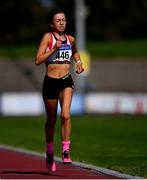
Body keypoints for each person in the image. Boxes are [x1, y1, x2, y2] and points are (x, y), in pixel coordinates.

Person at [35, 9, 84, 172]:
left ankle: (65, 150)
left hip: (66, 81)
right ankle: (49, 152)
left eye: (63, 20)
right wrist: (54, 48)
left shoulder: (70, 39)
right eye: (58, 20)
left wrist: (78, 62)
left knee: (65, 115)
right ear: (51, 23)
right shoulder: (47, 38)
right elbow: (38, 60)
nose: (62, 22)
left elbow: (75, 52)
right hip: (50, 82)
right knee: (51, 121)